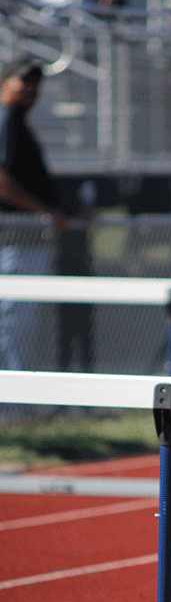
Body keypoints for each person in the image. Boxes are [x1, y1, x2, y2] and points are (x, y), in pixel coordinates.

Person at [0, 55, 68, 370]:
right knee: (13, 324)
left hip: (23, 241)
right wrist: (44, 212)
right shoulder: (4, 119)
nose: (30, 88)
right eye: (24, 80)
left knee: (18, 325)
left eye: (36, 83)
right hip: (16, 241)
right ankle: (11, 408)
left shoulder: (17, 123)